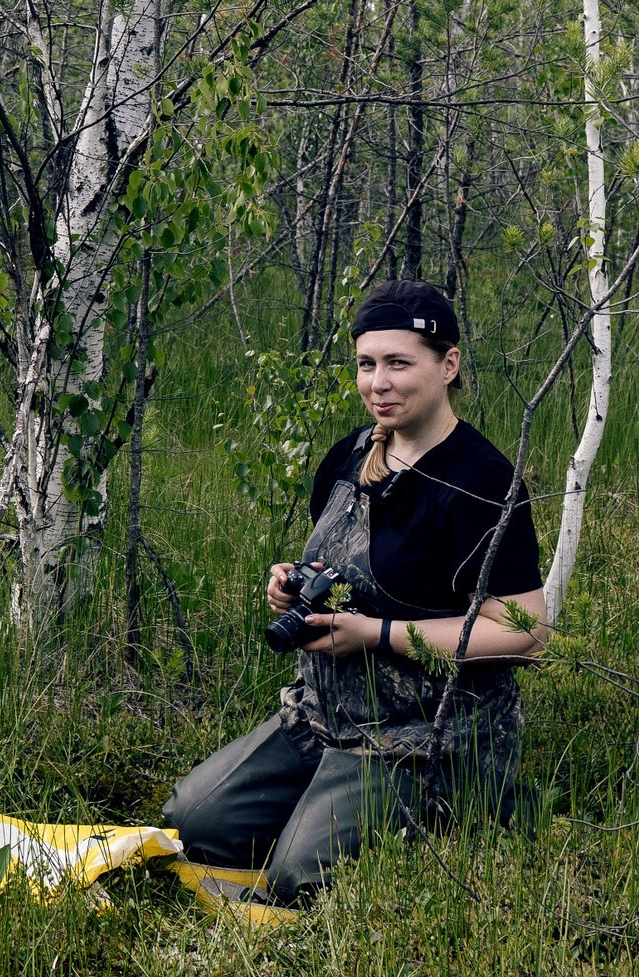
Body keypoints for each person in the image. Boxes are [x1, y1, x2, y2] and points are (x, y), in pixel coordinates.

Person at [162, 280, 546, 905]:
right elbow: (338, 561)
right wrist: (293, 586)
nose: (378, 383)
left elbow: (525, 633)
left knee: (297, 881)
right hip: (323, 718)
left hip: (428, 735)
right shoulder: (350, 455)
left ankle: (467, 807)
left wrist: (378, 634)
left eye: (399, 363)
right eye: (367, 365)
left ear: (448, 365)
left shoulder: (482, 481)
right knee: (191, 826)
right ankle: (322, 798)